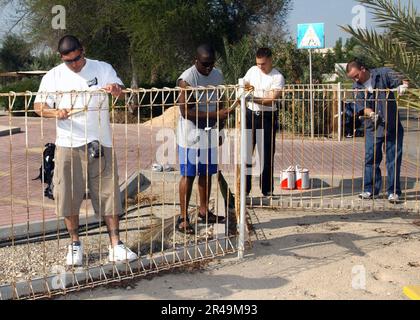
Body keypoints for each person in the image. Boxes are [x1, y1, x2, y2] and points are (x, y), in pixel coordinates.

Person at [34, 35, 138, 265]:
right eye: (68, 61)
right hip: (68, 144)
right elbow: (39, 107)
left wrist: (115, 89)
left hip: (101, 142)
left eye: (78, 58)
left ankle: (115, 245)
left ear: (83, 50)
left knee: (109, 193)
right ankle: (74, 245)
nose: (75, 64)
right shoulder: (53, 76)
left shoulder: (102, 68)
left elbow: (119, 88)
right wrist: (56, 113)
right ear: (61, 58)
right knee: (68, 195)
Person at [176, 44, 233, 234]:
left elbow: (220, 101)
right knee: (189, 175)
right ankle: (183, 218)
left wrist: (220, 128)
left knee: (207, 173)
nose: (208, 68)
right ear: (196, 61)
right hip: (190, 134)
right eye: (204, 64)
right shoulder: (187, 79)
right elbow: (185, 112)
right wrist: (216, 115)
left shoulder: (217, 75)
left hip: (210, 131)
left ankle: (204, 211)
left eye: (211, 64)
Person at [346, 59, 409, 203]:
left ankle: (393, 192)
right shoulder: (357, 87)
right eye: (352, 78)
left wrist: (403, 86)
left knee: (393, 159)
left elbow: (403, 77)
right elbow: (361, 106)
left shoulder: (383, 74)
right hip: (372, 127)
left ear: (362, 68)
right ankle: (370, 190)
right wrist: (371, 114)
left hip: (392, 125)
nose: (355, 79)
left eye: (356, 76)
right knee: (371, 159)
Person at [243, 48, 285, 196]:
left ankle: (267, 190)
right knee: (247, 153)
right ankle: (244, 190)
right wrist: (250, 92)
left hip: (268, 117)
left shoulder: (277, 76)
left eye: (263, 64)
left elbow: (271, 99)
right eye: (258, 63)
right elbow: (244, 85)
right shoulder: (252, 70)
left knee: (266, 155)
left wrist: (252, 97)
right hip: (250, 115)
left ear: (270, 60)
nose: (260, 66)